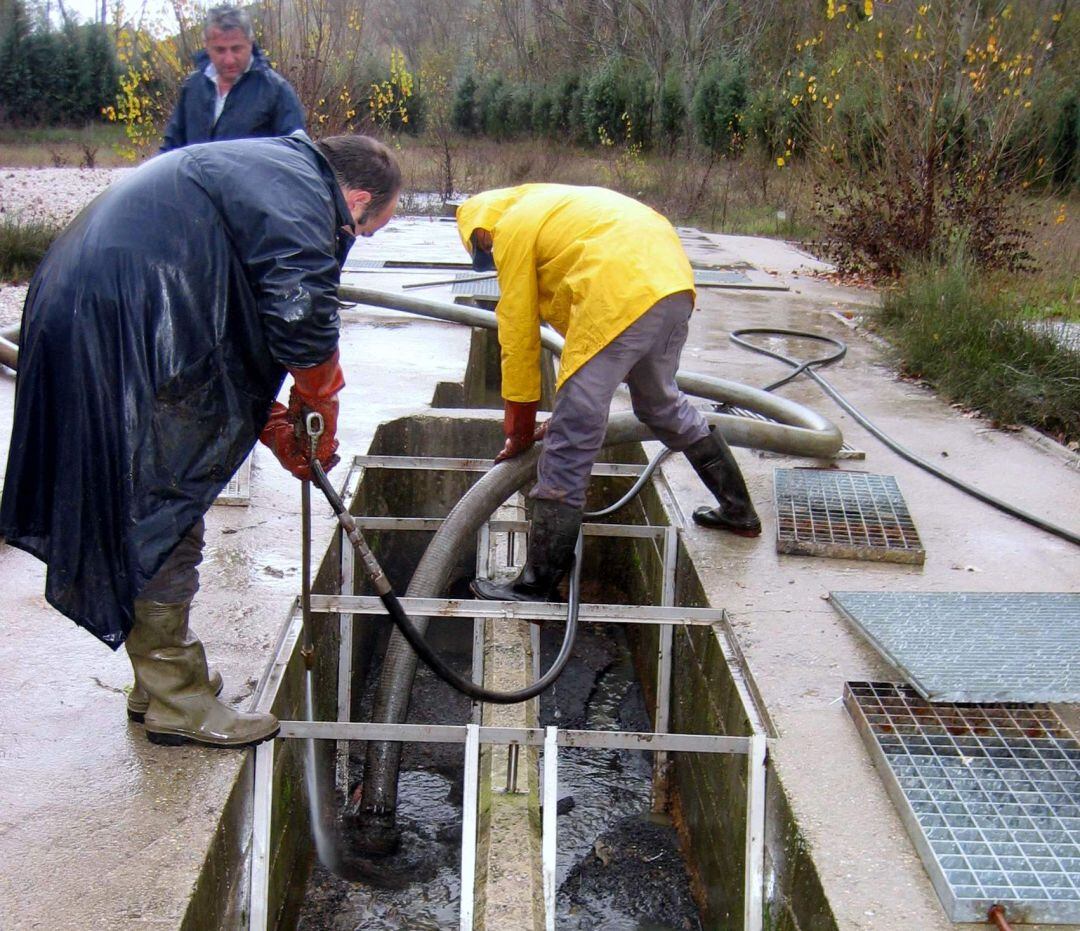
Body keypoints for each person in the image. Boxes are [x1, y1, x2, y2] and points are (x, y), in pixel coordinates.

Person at [0, 133, 401, 748]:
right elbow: (301, 317)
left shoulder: (272, 174)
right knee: (161, 501)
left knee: (155, 494)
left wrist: (274, 423)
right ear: (358, 200)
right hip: (120, 321)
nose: (352, 241)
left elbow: (218, 346)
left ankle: (160, 677)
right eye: (363, 231)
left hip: (101, 308)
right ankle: (176, 699)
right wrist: (320, 403)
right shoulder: (302, 200)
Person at [457, 184, 761, 604]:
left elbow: (519, 336)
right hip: (671, 284)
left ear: (480, 232)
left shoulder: (509, 228)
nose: (489, 255)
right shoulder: (554, 204)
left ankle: (535, 586)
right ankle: (739, 511)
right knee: (661, 404)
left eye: (484, 249)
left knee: (571, 439)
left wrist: (520, 431)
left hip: (618, 293)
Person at [160, 5, 305, 152]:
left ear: (250, 42)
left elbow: (296, 156)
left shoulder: (276, 91)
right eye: (220, 50)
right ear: (207, 46)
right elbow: (170, 149)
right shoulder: (193, 87)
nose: (229, 60)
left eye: (236, 49)